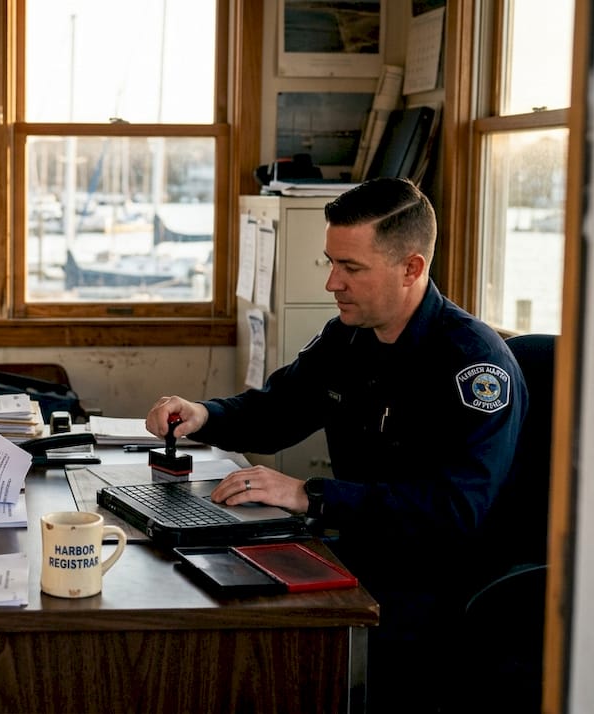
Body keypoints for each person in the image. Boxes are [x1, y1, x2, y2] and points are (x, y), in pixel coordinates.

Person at [145, 178, 527, 712]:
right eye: (330, 262)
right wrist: (204, 415)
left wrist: (311, 495)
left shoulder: (471, 365)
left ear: (412, 268)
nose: (332, 283)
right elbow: (279, 409)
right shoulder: (348, 337)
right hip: (353, 549)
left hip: (434, 585)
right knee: (203, 591)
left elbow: (454, 510)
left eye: (352, 268)